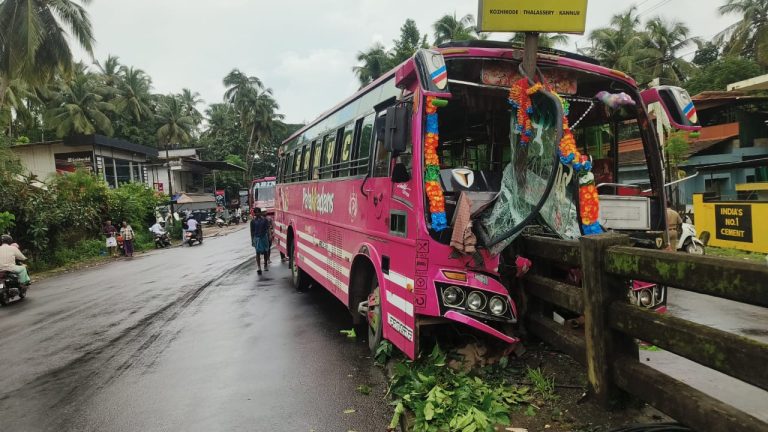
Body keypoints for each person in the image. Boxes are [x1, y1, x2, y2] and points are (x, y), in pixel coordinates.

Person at [250, 208, 271, 275]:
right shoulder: (252, 221)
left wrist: (269, 236)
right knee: (257, 252)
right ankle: (259, 267)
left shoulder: (265, 220)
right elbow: (252, 231)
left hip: (264, 237)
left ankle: (265, 265)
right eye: (256, 213)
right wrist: (252, 240)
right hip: (257, 238)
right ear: (254, 214)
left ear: (260, 213)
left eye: (258, 212)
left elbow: (268, 228)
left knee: (265, 251)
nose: (257, 214)